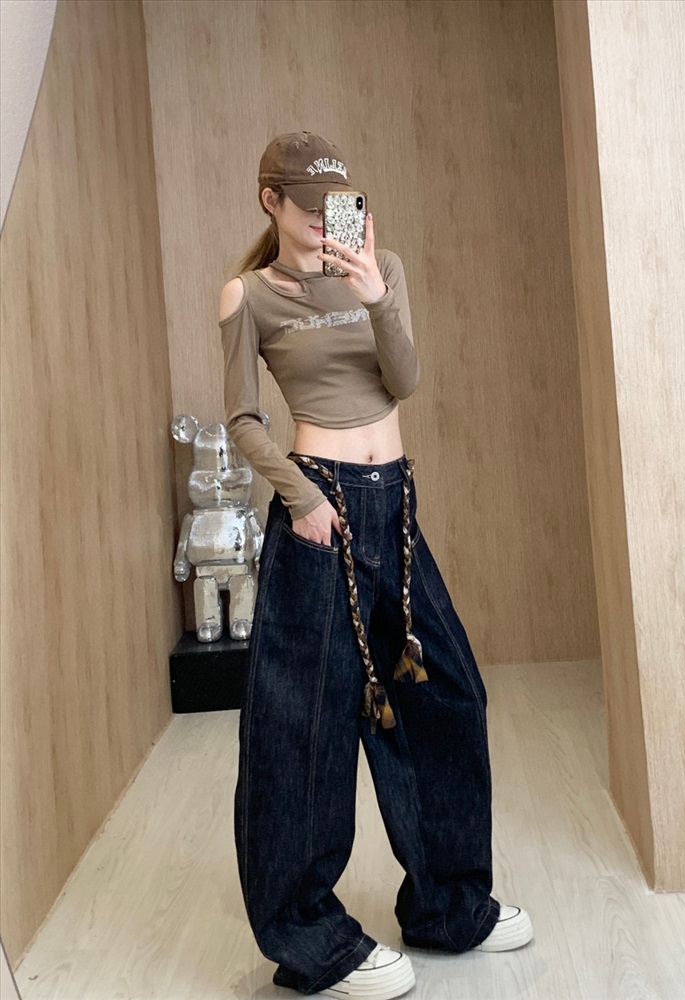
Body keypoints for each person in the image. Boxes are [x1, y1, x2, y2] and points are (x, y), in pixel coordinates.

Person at [220, 132, 533, 1000]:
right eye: (308, 206)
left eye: (337, 206)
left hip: (392, 503)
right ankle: (311, 940)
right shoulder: (249, 295)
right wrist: (299, 498)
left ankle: (447, 904)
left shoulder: (378, 266)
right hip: (318, 510)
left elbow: (405, 380)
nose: (326, 221)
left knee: (445, 692)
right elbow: (241, 419)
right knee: (303, 727)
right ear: (270, 201)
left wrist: (373, 297)